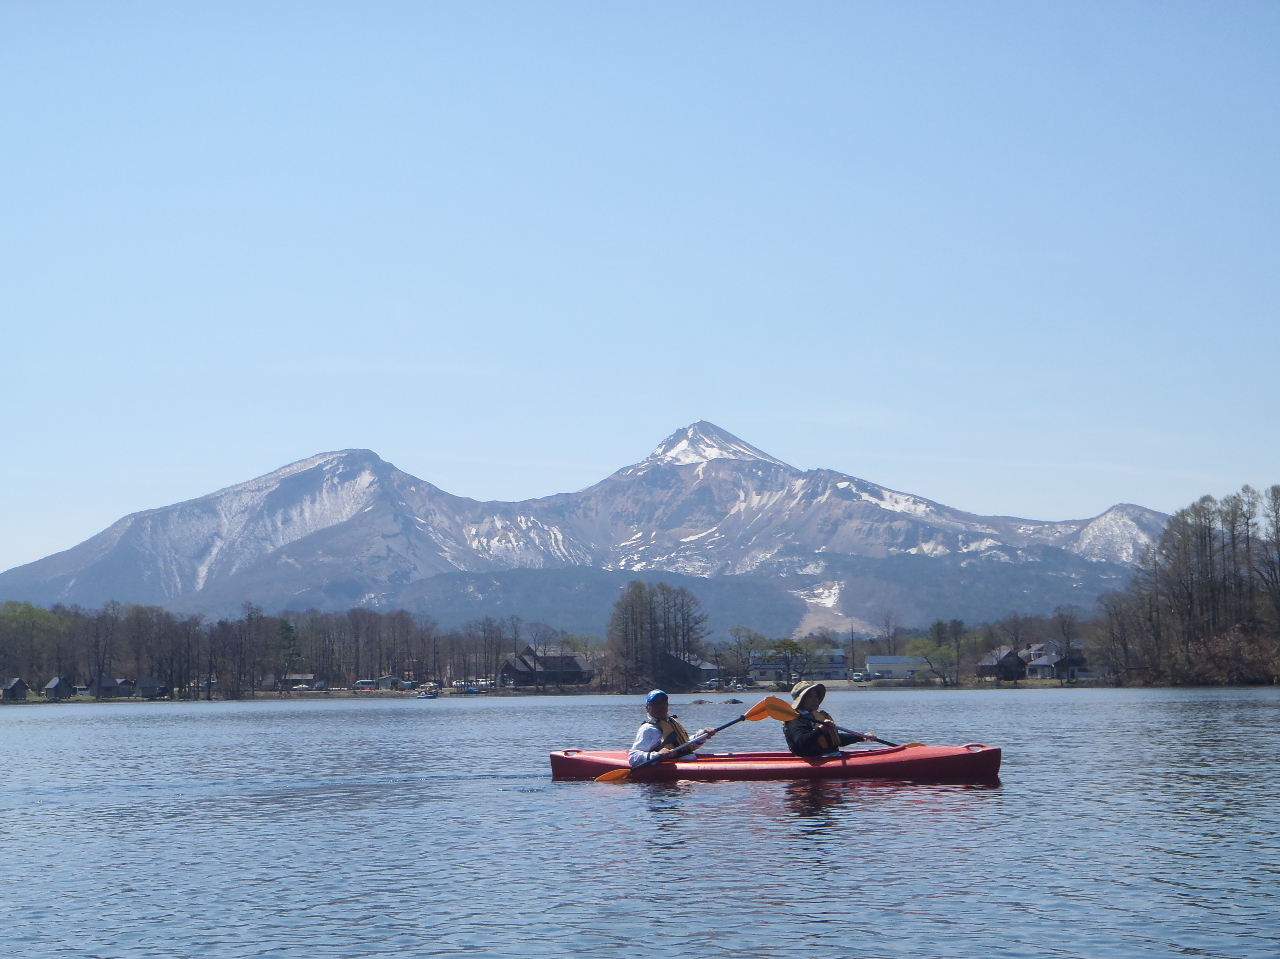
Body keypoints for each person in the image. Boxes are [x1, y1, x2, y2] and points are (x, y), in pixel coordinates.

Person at [783, 680, 874, 757]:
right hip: (813, 761)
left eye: (816, 697)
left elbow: (834, 739)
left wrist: (862, 736)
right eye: (810, 697)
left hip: (830, 756)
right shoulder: (795, 720)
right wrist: (820, 729)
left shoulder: (815, 717)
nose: (815, 700)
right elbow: (801, 742)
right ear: (801, 701)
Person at [628, 689, 718, 767]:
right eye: (655, 703)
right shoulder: (647, 729)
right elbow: (633, 757)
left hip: (688, 764)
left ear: (667, 705)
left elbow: (686, 746)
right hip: (674, 769)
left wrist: (703, 735)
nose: (660, 706)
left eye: (663, 702)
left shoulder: (671, 722)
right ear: (647, 708)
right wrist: (657, 755)